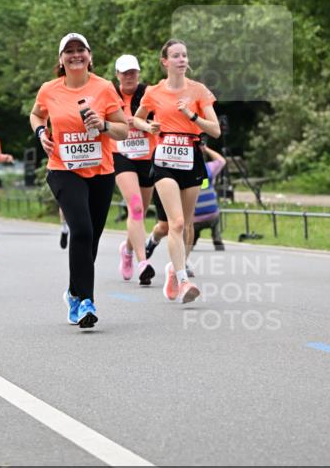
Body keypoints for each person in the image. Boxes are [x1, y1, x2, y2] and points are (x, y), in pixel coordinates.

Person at [30, 33, 128, 329]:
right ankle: (86, 301)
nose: (75, 55)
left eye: (80, 50)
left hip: (101, 172)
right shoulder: (49, 90)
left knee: (91, 240)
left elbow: (123, 130)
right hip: (63, 169)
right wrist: (40, 134)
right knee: (81, 230)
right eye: (69, 51)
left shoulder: (104, 88)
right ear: (60, 60)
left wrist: (105, 125)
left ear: (90, 56)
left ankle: (74, 290)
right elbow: (36, 115)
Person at [134, 39, 220, 304]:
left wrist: (191, 116)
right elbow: (136, 118)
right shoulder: (153, 92)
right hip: (164, 159)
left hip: (191, 157)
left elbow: (215, 130)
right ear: (165, 62)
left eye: (184, 55)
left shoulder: (199, 91)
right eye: (176, 56)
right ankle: (184, 281)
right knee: (177, 222)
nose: (182, 59)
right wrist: (148, 128)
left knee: (188, 224)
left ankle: (174, 268)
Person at [111, 54, 160, 286]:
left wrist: (149, 125)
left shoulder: (149, 93)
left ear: (138, 73)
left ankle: (128, 249)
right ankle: (143, 263)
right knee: (137, 208)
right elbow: (99, 121)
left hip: (146, 156)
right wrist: (121, 124)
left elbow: (161, 118)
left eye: (133, 72)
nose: (129, 76)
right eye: (124, 72)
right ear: (117, 74)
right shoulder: (109, 93)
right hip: (120, 154)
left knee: (140, 210)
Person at [192, 141, 226, 250]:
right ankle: (217, 238)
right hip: (212, 215)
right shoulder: (208, 169)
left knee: (191, 227)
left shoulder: (185, 171)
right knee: (216, 217)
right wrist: (206, 149)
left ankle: (192, 238)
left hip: (195, 219)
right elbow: (221, 161)